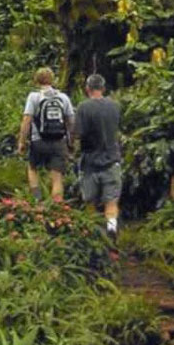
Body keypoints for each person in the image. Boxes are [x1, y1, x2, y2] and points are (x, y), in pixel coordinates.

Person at [74, 73, 123, 241]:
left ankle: (94, 235)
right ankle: (111, 225)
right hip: (111, 160)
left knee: (90, 202)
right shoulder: (115, 106)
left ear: (87, 89)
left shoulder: (83, 107)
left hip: (89, 163)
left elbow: (78, 134)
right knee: (111, 201)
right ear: (103, 88)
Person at [17, 66, 75, 202]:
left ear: (36, 80)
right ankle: (57, 210)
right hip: (59, 141)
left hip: (38, 141)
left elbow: (26, 120)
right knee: (57, 177)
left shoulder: (34, 97)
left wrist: (21, 141)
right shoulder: (63, 97)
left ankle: (37, 202)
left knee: (32, 168)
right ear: (53, 80)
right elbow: (71, 122)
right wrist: (71, 142)